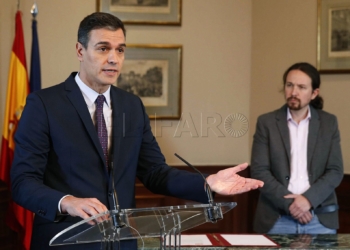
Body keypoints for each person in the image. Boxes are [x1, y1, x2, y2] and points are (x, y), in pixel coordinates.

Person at [10, 12, 263, 249]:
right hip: (67, 241)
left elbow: (155, 173)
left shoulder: (131, 105)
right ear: (80, 50)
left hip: (122, 242)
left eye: (120, 50)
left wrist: (207, 183)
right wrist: (67, 202)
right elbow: (23, 183)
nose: (113, 58)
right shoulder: (43, 104)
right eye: (103, 49)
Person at [250, 62, 343, 234]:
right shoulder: (267, 123)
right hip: (276, 219)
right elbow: (259, 171)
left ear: (314, 93)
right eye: (289, 85)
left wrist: (308, 200)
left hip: (319, 219)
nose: (294, 92)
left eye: (301, 87)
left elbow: (335, 170)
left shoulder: (328, 123)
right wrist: (292, 205)